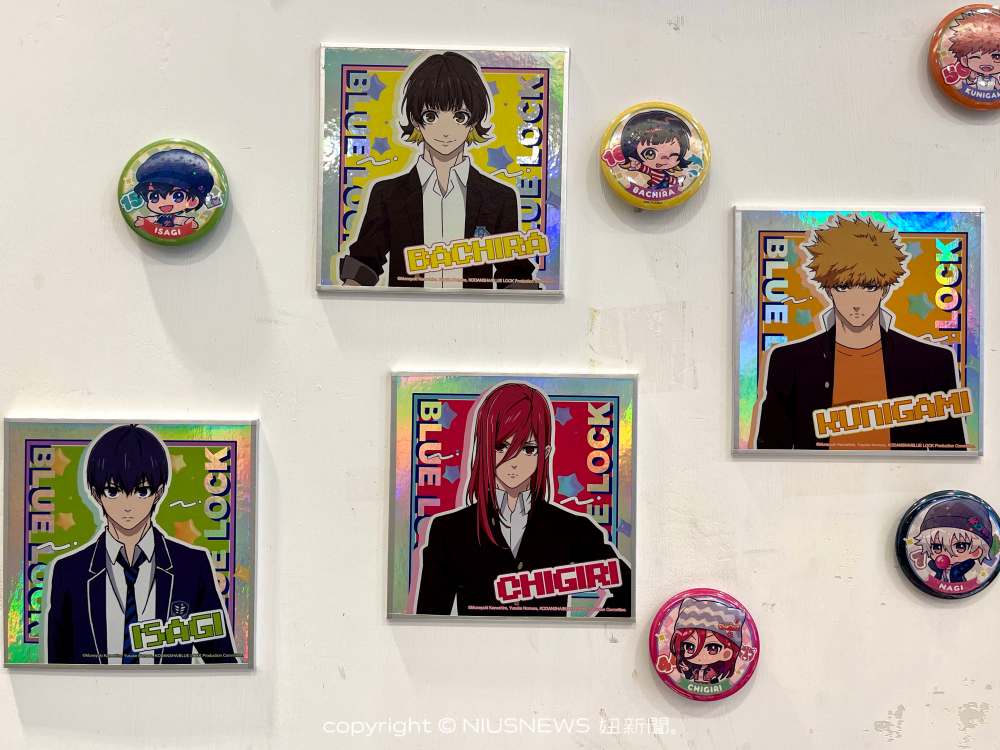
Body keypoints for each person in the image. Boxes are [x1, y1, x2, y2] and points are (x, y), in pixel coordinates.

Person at [415, 382, 631, 617]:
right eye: (501, 446)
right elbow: (427, 619)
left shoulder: (572, 529)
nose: (513, 462)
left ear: (545, 453)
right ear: (484, 448)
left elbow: (628, 590)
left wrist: (588, 634)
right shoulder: (449, 531)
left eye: (528, 449)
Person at [754, 215, 968, 450]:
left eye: (869, 286)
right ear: (828, 289)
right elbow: (770, 457)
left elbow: (951, 458)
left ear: (885, 288)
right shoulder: (789, 362)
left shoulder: (933, 363)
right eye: (843, 286)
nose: (856, 303)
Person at [339, 51, 538, 289]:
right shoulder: (387, 195)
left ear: (475, 120)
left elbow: (514, 276)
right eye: (431, 116)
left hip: (477, 312)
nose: (445, 131)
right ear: (415, 120)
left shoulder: (499, 197)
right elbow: (363, 266)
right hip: (403, 311)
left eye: (459, 116)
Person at [45, 424, 237, 664]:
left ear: (159, 492)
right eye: (113, 491)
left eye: (142, 491)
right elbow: (57, 670)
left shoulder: (192, 566)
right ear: (95, 494)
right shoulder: (69, 572)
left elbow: (222, 661)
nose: (128, 505)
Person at [129, 149, 215, 238]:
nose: (164, 203)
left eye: (178, 196)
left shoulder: (174, 218)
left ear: (192, 201)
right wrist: (144, 222)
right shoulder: (158, 217)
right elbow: (152, 219)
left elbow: (179, 220)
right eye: (154, 197)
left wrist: (188, 222)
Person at [669, 597, 745, 684]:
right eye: (690, 647)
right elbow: (689, 676)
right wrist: (686, 670)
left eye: (712, 648)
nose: (699, 654)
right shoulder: (693, 666)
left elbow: (715, 680)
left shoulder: (717, 668)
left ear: (726, 654)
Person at [619, 110, 694, 197]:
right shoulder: (651, 170)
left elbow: (671, 179)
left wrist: (678, 182)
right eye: (650, 153)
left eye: (672, 154)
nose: (663, 159)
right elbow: (643, 168)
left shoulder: (664, 174)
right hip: (654, 188)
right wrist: (636, 165)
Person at [948, 9, 1000, 92]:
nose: (986, 62)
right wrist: (971, 78)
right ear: (964, 61)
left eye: (997, 56)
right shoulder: (976, 77)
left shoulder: (994, 80)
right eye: (976, 57)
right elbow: (967, 84)